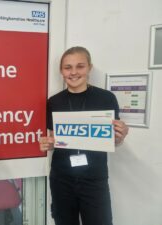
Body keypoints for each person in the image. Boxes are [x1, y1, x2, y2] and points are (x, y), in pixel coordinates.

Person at [39, 46, 129, 225]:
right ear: (61, 71)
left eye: (80, 66)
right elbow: (54, 138)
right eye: (68, 67)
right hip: (61, 178)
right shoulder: (53, 102)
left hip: (94, 178)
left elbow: (113, 139)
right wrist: (48, 144)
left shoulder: (106, 98)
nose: (73, 72)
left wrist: (120, 137)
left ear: (89, 68)